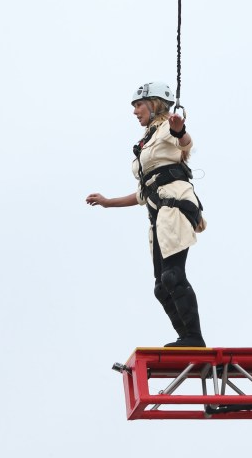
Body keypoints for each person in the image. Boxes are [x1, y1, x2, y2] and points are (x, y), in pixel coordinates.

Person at [86, 81, 206, 347]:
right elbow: (142, 194)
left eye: (138, 105)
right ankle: (186, 337)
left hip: (175, 207)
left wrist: (179, 128)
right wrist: (108, 202)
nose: (134, 111)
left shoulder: (167, 128)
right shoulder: (146, 143)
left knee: (173, 276)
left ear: (154, 104)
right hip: (158, 213)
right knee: (162, 287)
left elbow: (185, 142)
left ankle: (194, 338)